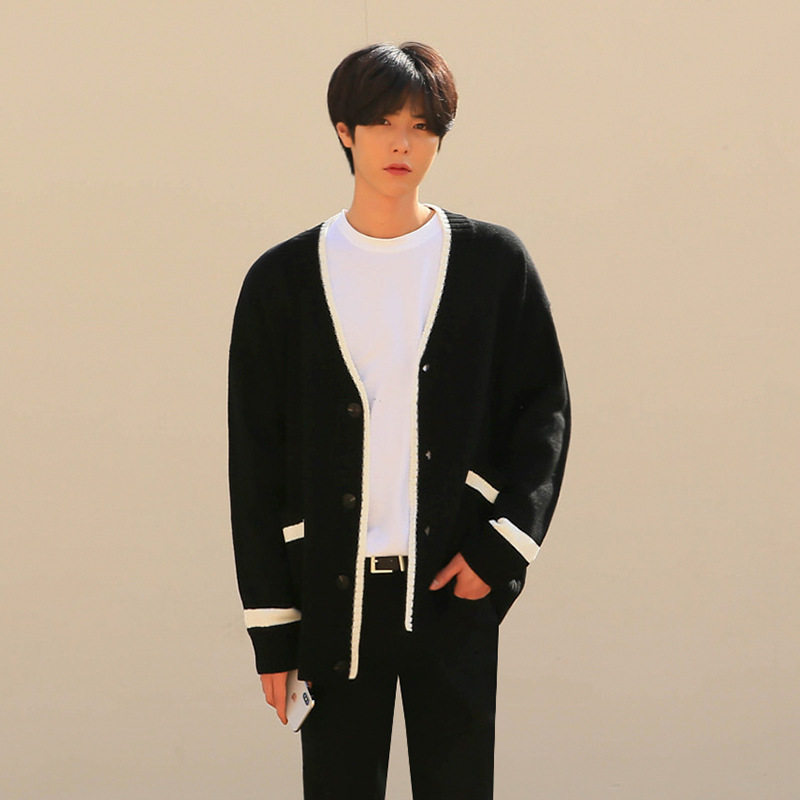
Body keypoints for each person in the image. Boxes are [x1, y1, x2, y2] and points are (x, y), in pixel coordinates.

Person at [228, 41, 570, 800]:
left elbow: (543, 412)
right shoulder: (281, 281)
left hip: (451, 588)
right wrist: (273, 628)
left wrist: (500, 548)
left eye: (421, 125)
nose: (402, 143)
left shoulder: (493, 265)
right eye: (382, 122)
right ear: (344, 132)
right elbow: (253, 462)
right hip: (331, 599)